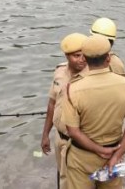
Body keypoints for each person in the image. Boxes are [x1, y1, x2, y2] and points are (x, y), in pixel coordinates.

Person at [62, 35, 125, 189]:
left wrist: (99, 150)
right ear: (108, 58)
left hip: (81, 157)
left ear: (85, 59)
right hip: (114, 153)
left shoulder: (73, 89)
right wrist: (117, 155)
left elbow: (73, 131)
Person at [40, 33, 88, 185]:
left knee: (77, 181)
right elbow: (52, 103)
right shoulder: (60, 72)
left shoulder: (91, 77)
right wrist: (45, 134)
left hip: (79, 143)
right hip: (59, 138)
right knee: (61, 175)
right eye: (77, 56)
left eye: (85, 55)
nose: (82, 59)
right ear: (67, 56)